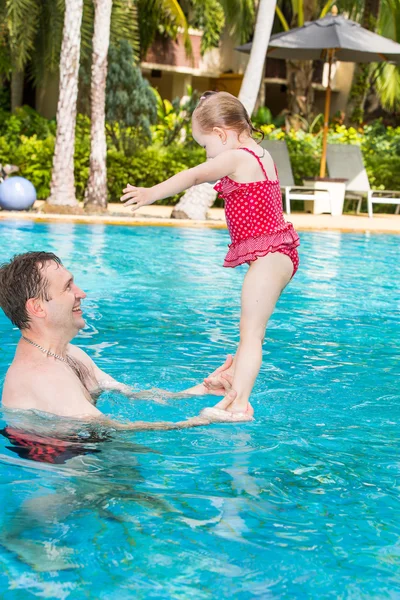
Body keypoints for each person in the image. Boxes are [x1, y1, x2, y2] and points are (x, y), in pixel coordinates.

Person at [121, 91, 300, 421]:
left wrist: (151, 193)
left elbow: (194, 175)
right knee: (252, 331)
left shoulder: (236, 157)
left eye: (205, 145)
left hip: (270, 256)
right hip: (280, 254)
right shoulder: (261, 155)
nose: (206, 153)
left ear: (221, 134)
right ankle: (232, 381)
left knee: (250, 335)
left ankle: (239, 405)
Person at [0, 251, 242, 434]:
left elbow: (132, 394)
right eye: (67, 287)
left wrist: (200, 391)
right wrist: (204, 420)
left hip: (86, 453)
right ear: (37, 307)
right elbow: (113, 428)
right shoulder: (41, 376)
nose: (81, 293)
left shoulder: (69, 353)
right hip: (60, 475)